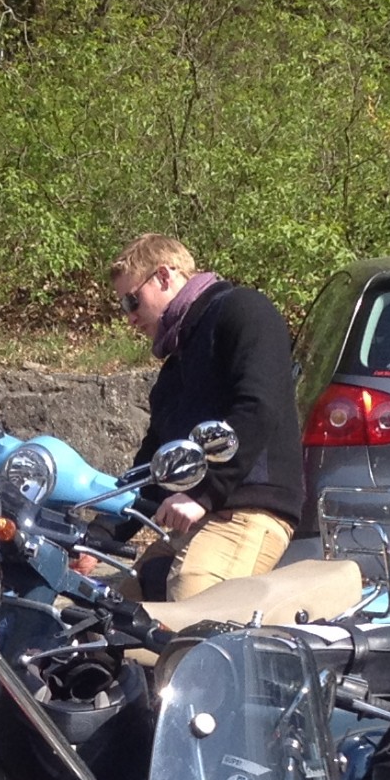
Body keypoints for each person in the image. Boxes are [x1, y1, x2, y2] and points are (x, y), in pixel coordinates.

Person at [114, 235, 305, 598]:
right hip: (198, 517)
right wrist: (100, 533)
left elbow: (257, 407)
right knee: (115, 607)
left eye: (131, 300)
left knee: (191, 598)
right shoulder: (175, 368)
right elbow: (154, 464)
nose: (130, 317)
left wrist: (202, 493)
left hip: (247, 510)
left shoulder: (243, 310)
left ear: (164, 276)